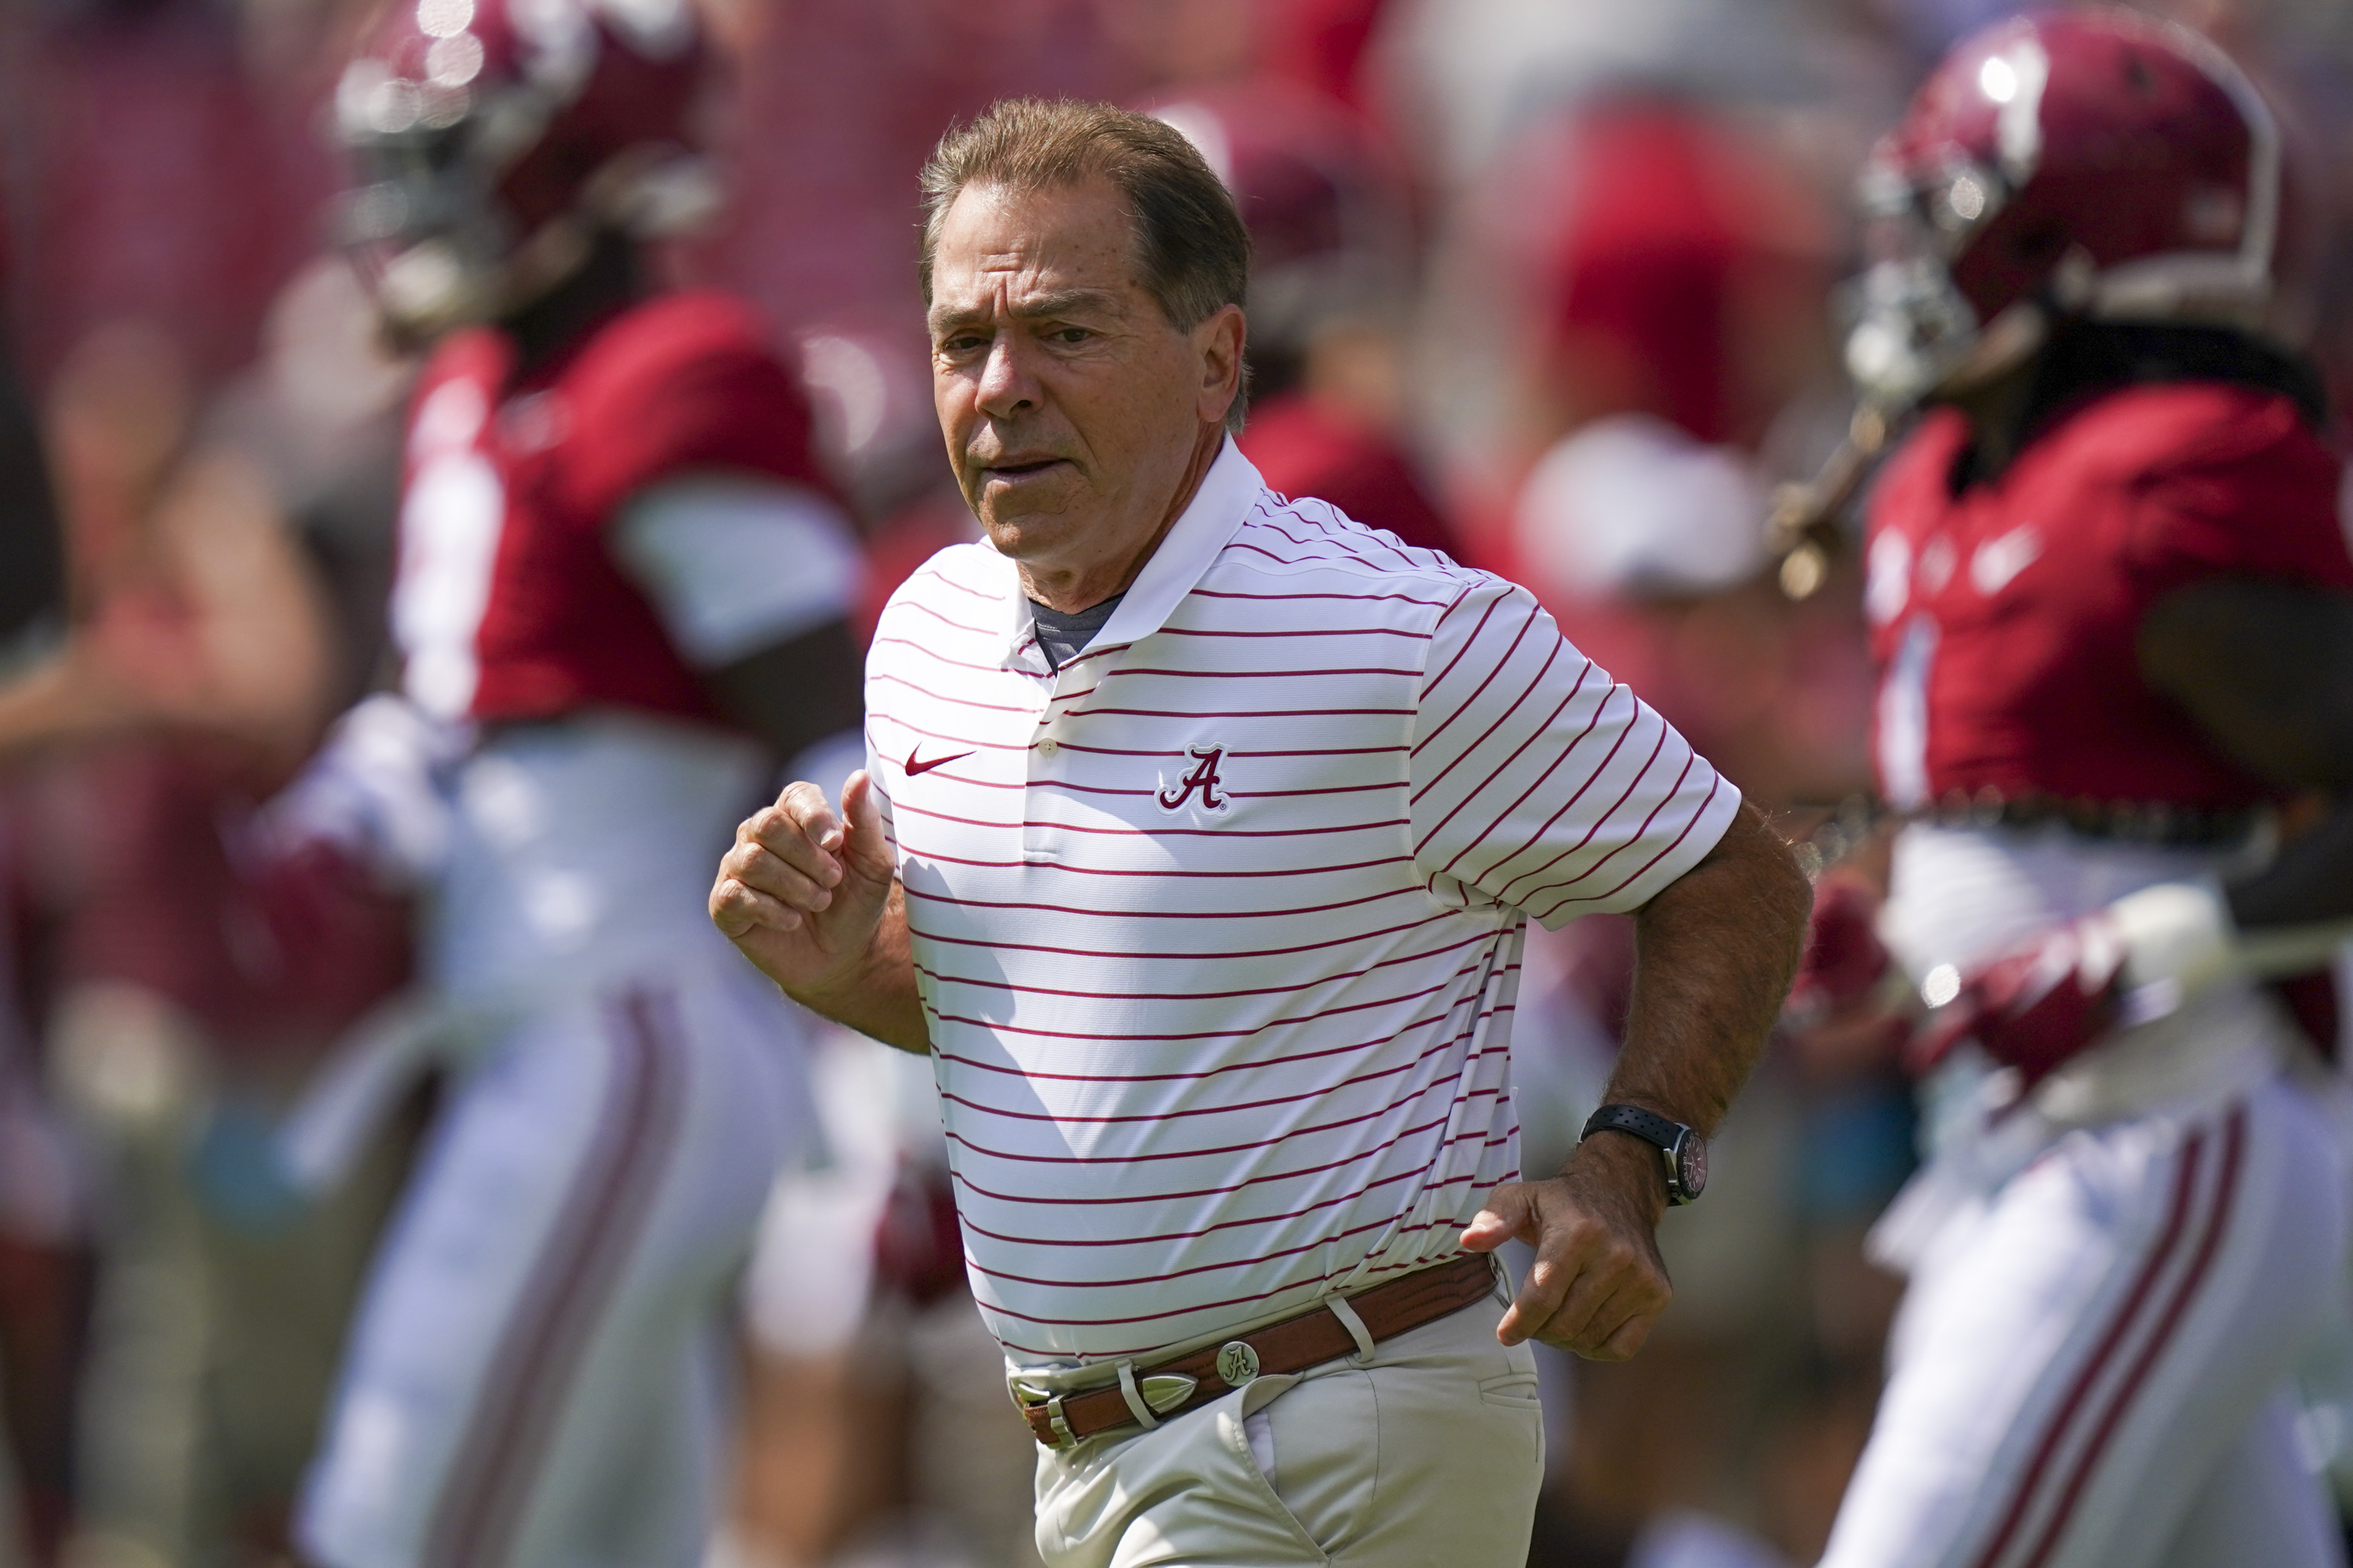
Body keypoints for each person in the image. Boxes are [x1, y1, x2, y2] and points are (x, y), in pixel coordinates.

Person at [710, 98, 1809, 1568]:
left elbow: (1729, 872)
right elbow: (1071, 1033)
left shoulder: (1397, 630)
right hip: (1096, 1445)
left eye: (1069, 334)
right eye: (963, 340)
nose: (1003, 387)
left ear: (1216, 357)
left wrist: (1629, 1157)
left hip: (1327, 1420)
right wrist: (842, 965)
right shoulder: (922, 630)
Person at [288, 1, 865, 1564]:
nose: (416, 209)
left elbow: (841, 731)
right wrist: (326, 833)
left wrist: (909, 1062)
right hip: (549, 1036)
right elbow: (451, 712)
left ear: (596, 171)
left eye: (455, 165)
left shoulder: (667, 374)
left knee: (398, 1529)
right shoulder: (477, 388)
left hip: (630, 1037)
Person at [1807, 11, 2353, 1566]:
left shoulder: (2172, 471)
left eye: (1949, 220)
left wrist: (2127, 956)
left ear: (2073, 240)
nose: (1901, 261)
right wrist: (1885, 923)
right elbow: (2019, 815)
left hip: (2157, 1126)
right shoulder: (1943, 470)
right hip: (2018, 1135)